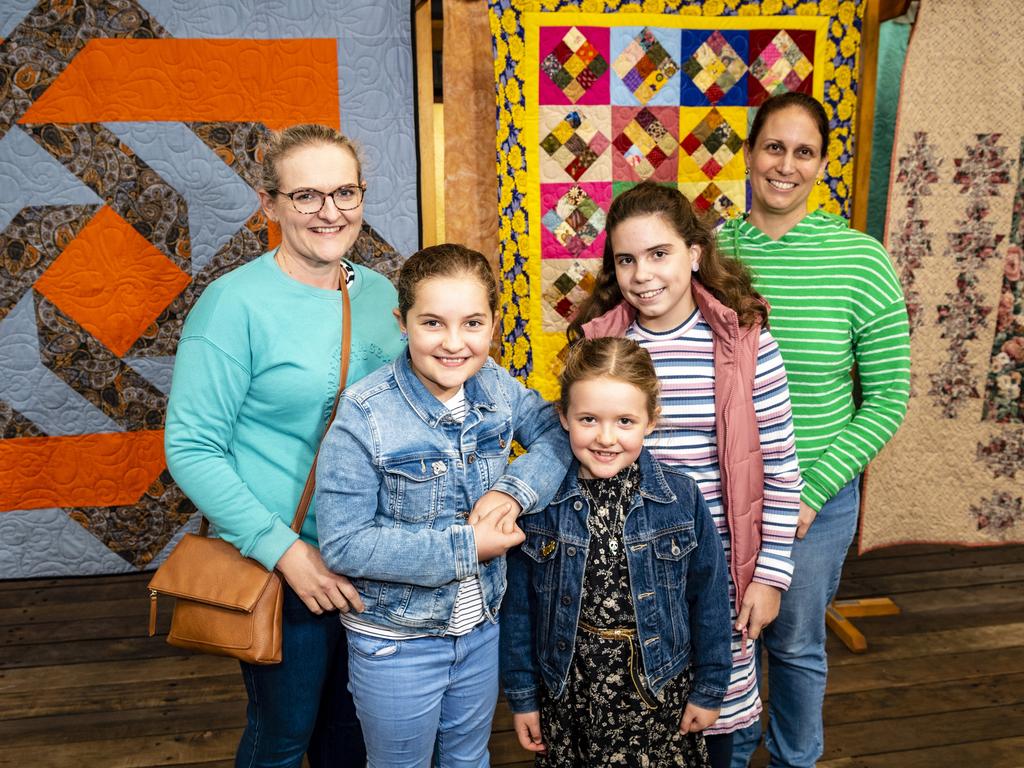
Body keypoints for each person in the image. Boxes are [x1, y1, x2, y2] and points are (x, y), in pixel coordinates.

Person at [164, 124, 408, 767]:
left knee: (353, 736)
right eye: (306, 196)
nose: (329, 212)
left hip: (378, 560)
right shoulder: (232, 305)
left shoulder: (383, 295)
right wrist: (286, 552)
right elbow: (191, 447)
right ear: (268, 203)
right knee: (284, 734)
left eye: (344, 192)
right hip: (289, 564)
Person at [567, 181, 804, 767]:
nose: (643, 274)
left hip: (717, 573)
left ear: (694, 253)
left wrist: (770, 576)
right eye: (626, 259)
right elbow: (575, 444)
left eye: (659, 254)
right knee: (632, 717)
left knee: (711, 719)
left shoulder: (746, 346)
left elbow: (778, 467)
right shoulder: (603, 343)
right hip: (619, 575)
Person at [314, 243, 571, 768]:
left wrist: (511, 491)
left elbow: (558, 436)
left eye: (473, 323)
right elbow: (344, 543)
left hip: (480, 630)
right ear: (402, 322)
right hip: (395, 642)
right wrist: (467, 547)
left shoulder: (495, 386)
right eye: (433, 322)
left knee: (467, 758)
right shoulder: (364, 415)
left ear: (495, 324)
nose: (455, 343)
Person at [720, 92, 911, 768]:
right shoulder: (709, 255)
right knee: (727, 641)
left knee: (795, 643)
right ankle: (732, 755)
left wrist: (810, 493)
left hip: (815, 501)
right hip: (722, 497)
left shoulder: (861, 262)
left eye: (804, 152)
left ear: (822, 165)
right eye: (774, 147)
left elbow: (889, 397)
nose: (786, 165)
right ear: (748, 155)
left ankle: (795, 758)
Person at [501, 336, 734, 767]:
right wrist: (521, 696)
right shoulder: (540, 503)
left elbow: (711, 600)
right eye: (589, 419)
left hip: (659, 688)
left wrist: (710, 688)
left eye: (625, 421)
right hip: (571, 692)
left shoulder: (680, 498)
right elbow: (519, 608)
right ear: (563, 417)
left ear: (651, 420)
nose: (606, 438)